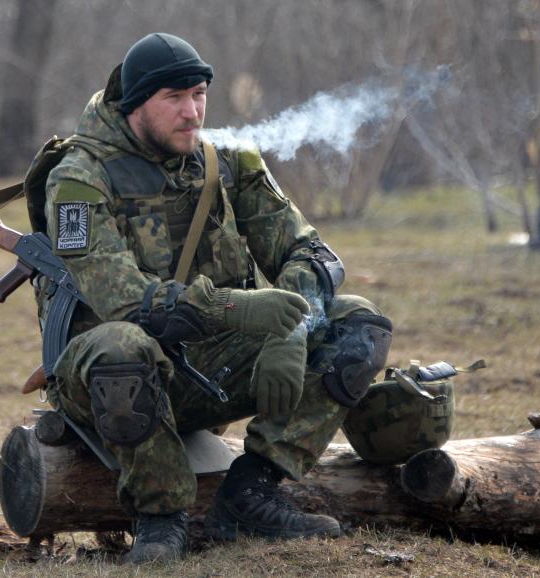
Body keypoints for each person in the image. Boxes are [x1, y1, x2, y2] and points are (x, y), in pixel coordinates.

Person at [35, 32, 392, 564]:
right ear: (135, 105)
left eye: (199, 94)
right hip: (112, 381)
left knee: (358, 323)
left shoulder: (225, 159)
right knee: (120, 347)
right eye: (174, 98)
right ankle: (160, 518)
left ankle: (251, 493)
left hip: (211, 366)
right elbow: (125, 302)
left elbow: (310, 253)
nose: (192, 112)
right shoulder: (80, 179)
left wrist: (293, 327)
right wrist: (240, 308)